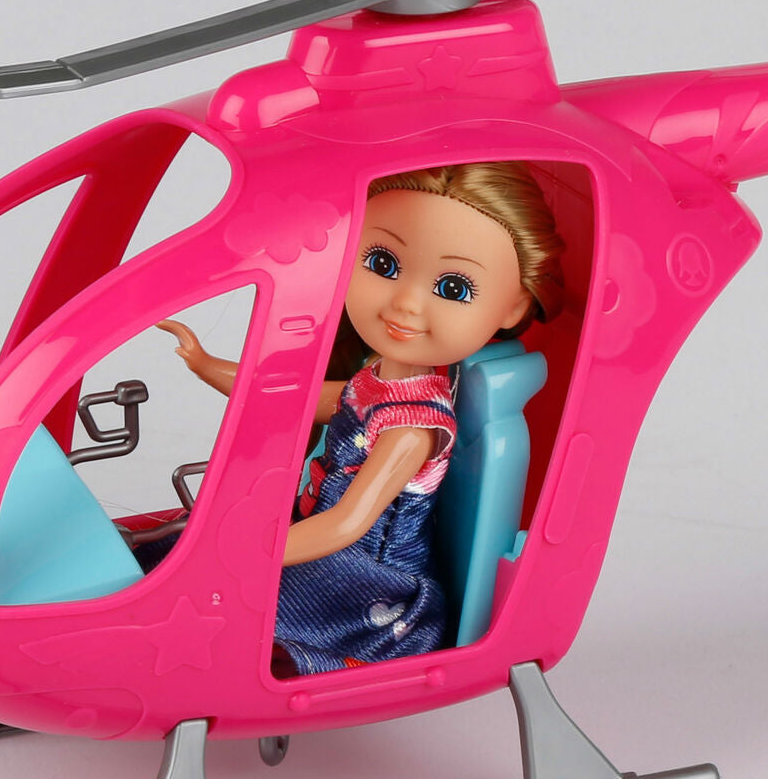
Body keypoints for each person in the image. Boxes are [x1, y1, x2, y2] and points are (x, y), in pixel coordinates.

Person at [158, 162, 565, 675]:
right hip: (312, 532)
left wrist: (250, 555)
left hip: (361, 583)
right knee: (180, 555)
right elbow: (298, 399)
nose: (406, 303)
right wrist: (207, 365)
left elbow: (348, 524)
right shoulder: (375, 380)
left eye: (453, 288)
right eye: (383, 263)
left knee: (215, 592)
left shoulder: (411, 426)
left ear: (513, 308)